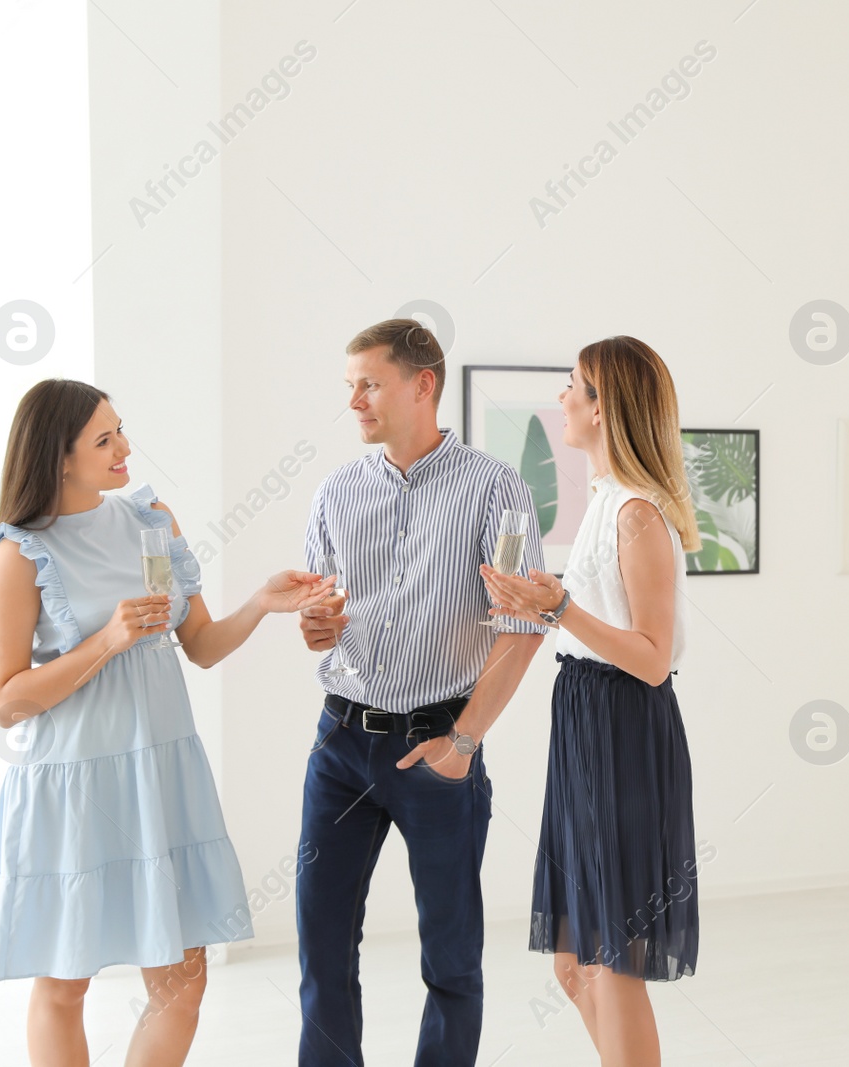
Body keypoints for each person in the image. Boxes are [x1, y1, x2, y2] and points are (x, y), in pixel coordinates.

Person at [0, 379, 331, 1067]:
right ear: (59, 457)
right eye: (103, 439)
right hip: (75, 788)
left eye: (120, 430)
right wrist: (104, 641)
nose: (124, 448)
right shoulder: (19, 555)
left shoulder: (150, 519)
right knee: (64, 981)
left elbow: (198, 645)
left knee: (183, 979)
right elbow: (6, 700)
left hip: (160, 776)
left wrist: (260, 602)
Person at [294, 318, 548, 1066]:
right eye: (351, 387)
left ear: (422, 383)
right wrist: (316, 625)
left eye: (369, 384)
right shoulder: (335, 492)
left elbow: (522, 624)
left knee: (450, 954)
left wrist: (464, 741)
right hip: (339, 742)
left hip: (437, 745)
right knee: (323, 944)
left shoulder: (496, 487)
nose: (356, 402)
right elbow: (323, 618)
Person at [480, 336, 702, 1067]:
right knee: (575, 965)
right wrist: (542, 604)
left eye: (574, 385)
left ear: (605, 407)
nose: (563, 397)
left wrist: (562, 608)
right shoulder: (607, 502)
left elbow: (652, 656)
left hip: (621, 727)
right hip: (583, 717)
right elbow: (585, 617)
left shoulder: (639, 512)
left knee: (612, 960)